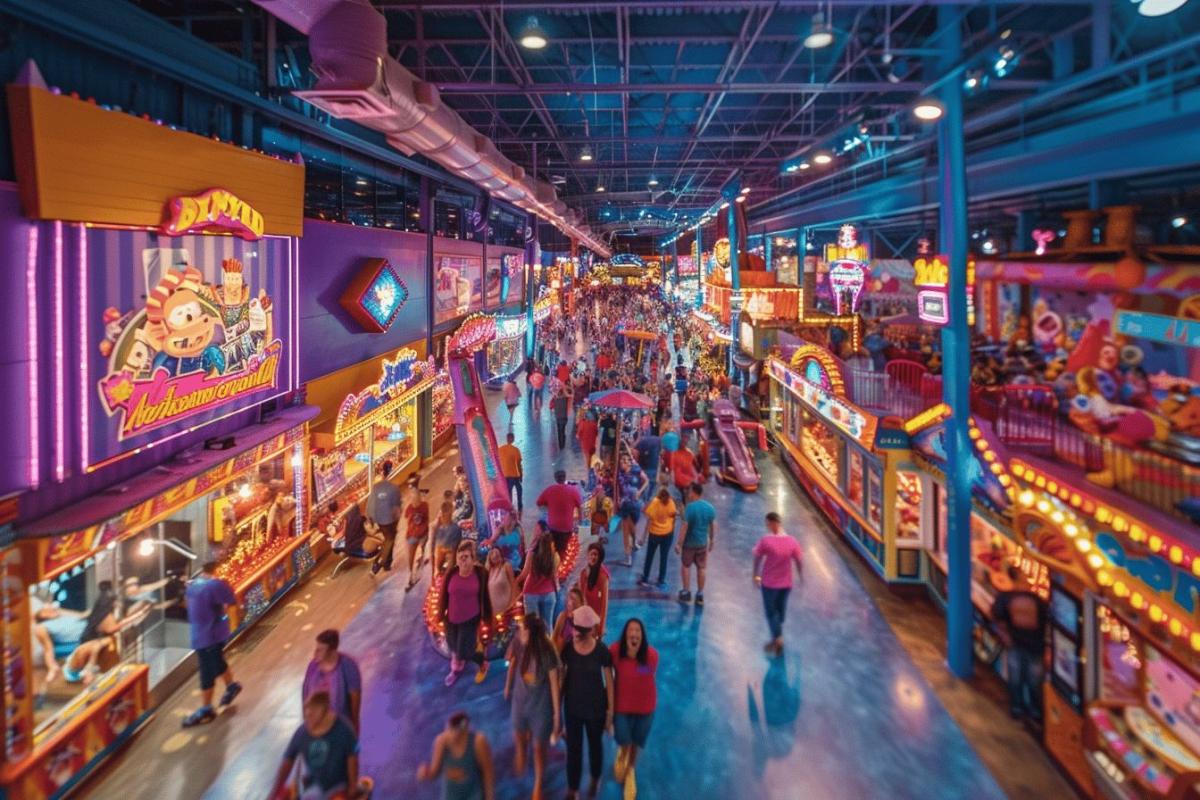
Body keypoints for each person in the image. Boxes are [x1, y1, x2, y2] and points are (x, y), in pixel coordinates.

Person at [559, 605, 615, 800]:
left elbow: (609, 681)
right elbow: (562, 679)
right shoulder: (568, 650)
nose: (576, 633)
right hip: (573, 709)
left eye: (580, 630)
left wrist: (609, 714)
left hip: (596, 710)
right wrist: (558, 710)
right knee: (573, 749)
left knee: (594, 746)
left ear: (591, 630)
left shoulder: (601, 651)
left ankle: (595, 778)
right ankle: (573, 788)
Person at [504, 614, 561, 800]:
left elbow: (554, 683)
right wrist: (507, 685)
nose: (519, 631)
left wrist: (556, 716)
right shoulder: (520, 642)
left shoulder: (547, 650)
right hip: (521, 700)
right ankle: (521, 751)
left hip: (541, 706)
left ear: (532, 634)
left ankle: (538, 783)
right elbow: (511, 662)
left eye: (523, 629)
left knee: (539, 747)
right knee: (518, 732)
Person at [270, 691, 366, 800]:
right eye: (307, 715)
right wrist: (274, 792)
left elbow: (353, 758)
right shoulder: (301, 733)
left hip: (339, 784)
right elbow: (288, 760)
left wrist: (353, 786)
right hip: (315, 785)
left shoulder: (344, 729)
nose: (308, 720)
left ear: (325, 713)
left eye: (312, 715)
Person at [182, 562, 242, 727]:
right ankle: (231, 686)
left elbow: (188, 605)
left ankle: (207, 708)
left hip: (203, 635)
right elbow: (232, 600)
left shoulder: (192, 586)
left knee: (208, 671)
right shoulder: (215, 585)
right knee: (215, 663)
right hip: (211, 634)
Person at [990, 566, 1049, 721]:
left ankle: (1017, 708)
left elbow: (996, 618)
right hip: (1036, 646)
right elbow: (1047, 622)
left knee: (1015, 678)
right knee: (1034, 681)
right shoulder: (1038, 600)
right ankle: (1036, 711)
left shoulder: (1004, 598)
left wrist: (1004, 636)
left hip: (1015, 644)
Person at [610, 619, 658, 797]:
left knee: (636, 742)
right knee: (623, 738)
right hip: (621, 707)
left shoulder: (652, 656)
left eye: (638, 631)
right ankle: (622, 753)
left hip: (645, 708)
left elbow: (648, 675)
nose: (634, 634)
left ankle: (630, 770)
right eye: (631, 630)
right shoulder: (614, 652)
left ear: (642, 636)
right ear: (625, 635)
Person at [438, 542, 493, 687]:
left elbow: (485, 596)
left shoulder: (480, 575)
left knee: (464, 651)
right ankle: (456, 669)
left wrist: (488, 617)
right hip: (451, 618)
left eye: (466, 556)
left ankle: (482, 662)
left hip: (470, 618)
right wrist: (440, 613)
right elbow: (444, 595)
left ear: (473, 559)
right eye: (460, 556)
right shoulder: (451, 574)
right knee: (453, 646)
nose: (462, 560)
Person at [752, 512, 804, 656]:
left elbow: (757, 557)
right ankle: (777, 637)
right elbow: (799, 560)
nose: (767, 526)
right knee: (780, 612)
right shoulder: (792, 541)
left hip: (769, 583)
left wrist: (755, 575)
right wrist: (800, 575)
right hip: (786, 584)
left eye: (768, 523)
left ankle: (778, 639)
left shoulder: (766, 541)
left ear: (773, 523)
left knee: (771, 612)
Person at [302, 629, 363, 733]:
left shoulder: (348, 667)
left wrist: (354, 725)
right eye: (316, 649)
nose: (315, 653)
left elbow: (355, 699)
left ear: (332, 651)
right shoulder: (313, 666)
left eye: (320, 650)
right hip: (317, 724)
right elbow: (305, 693)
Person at [676, 482, 716, 606]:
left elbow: (684, 526)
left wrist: (679, 544)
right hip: (702, 544)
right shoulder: (710, 508)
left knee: (686, 566)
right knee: (702, 568)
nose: (688, 493)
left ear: (694, 492)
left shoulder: (690, 508)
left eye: (690, 491)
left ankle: (686, 592)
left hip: (689, 544)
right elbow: (712, 525)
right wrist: (712, 539)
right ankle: (699, 595)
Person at [366, 460, 403, 576]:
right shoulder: (394, 488)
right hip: (390, 520)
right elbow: (397, 507)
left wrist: (371, 519)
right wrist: (398, 519)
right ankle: (378, 564)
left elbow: (371, 504)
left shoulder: (376, 487)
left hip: (380, 520)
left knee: (388, 539)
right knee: (389, 540)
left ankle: (387, 563)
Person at [518, 527, 560, 625]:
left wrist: (514, 582)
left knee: (533, 627)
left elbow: (524, 573)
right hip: (549, 593)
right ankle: (548, 640)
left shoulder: (531, 553)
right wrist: (557, 591)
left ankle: (535, 641)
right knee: (548, 626)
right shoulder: (555, 556)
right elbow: (555, 576)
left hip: (531, 592)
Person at [536, 470, 583, 557]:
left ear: (555, 478)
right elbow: (580, 507)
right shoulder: (573, 491)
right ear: (565, 477)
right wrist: (580, 522)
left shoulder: (549, 490)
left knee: (554, 549)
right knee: (565, 551)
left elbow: (538, 503)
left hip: (553, 526)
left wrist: (549, 506)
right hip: (567, 527)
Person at [639, 488, 677, 589]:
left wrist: (643, 537)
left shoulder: (655, 502)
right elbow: (674, 518)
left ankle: (645, 578)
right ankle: (661, 580)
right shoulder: (671, 502)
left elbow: (649, 521)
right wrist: (671, 530)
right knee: (664, 558)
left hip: (654, 534)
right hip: (667, 534)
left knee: (649, 556)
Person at [616, 455, 649, 566]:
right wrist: (618, 499)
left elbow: (646, 480)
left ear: (630, 462)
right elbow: (616, 488)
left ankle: (634, 543)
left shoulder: (636, 470)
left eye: (625, 460)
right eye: (622, 460)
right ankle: (628, 556)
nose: (623, 462)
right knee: (626, 530)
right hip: (625, 504)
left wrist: (639, 492)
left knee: (632, 528)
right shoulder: (618, 472)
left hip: (635, 504)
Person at [577, 544, 610, 639]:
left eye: (596, 555)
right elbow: (580, 596)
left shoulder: (603, 576)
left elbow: (604, 604)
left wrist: (601, 627)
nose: (593, 557)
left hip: (595, 621)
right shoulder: (583, 572)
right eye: (591, 554)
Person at [404, 486, 431, 592]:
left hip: (422, 534)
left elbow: (427, 519)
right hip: (412, 535)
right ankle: (411, 576)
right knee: (411, 557)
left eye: (416, 496)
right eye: (412, 497)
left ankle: (416, 573)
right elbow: (407, 518)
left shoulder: (424, 506)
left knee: (421, 554)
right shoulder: (409, 508)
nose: (414, 499)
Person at [433, 502, 463, 577]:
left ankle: (448, 575)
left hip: (451, 552)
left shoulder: (455, 528)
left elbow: (454, 548)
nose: (443, 515)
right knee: (439, 554)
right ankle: (439, 573)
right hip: (443, 551)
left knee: (450, 556)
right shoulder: (438, 528)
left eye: (445, 512)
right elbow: (437, 546)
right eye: (443, 513)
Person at [485, 547, 516, 616]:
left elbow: (514, 585)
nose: (495, 555)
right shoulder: (489, 570)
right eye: (492, 553)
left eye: (497, 553)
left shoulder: (506, 566)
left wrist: (511, 604)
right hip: (492, 611)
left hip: (506, 609)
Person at [553, 587, 585, 653]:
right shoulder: (563, 617)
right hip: (563, 654)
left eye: (573, 599)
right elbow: (554, 638)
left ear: (581, 603)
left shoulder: (585, 621)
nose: (570, 601)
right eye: (569, 598)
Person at [634, 428, 662, 503]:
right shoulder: (658, 441)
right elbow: (661, 457)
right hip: (653, 469)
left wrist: (636, 464)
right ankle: (646, 502)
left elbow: (635, 453)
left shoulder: (642, 441)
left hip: (645, 468)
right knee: (651, 487)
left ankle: (643, 502)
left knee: (644, 487)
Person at [498, 432, 524, 512]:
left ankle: (509, 507)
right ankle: (519, 505)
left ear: (507, 438)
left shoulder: (500, 449)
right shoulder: (516, 450)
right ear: (512, 439)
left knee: (508, 491)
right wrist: (521, 475)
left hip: (504, 475)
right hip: (514, 475)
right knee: (519, 489)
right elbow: (519, 464)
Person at [552, 387, 571, 451]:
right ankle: (562, 443)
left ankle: (561, 445)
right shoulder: (565, 399)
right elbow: (569, 394)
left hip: (558, 417)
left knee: (559, 431)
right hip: (563, 417)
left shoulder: (555, 399)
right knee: (562, 431)